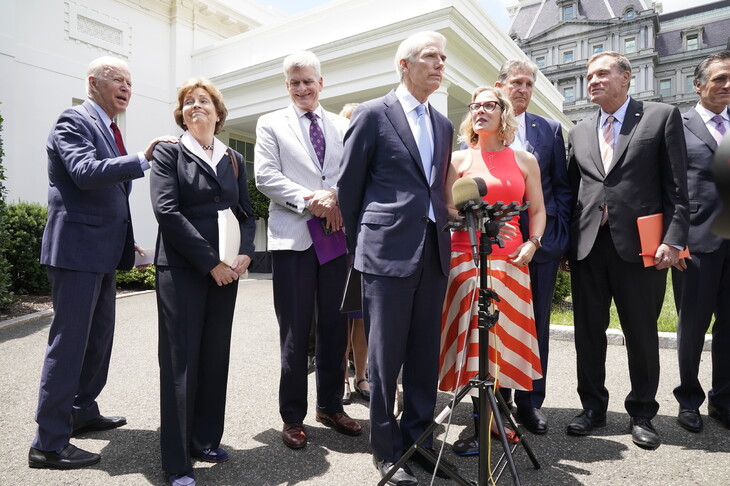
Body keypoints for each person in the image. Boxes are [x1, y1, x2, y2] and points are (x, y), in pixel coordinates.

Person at [30, 56, 173, 470]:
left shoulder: (110, 130)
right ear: (93, 82)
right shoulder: (73, 121)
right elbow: (85, 172)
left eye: (131, 81)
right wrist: (143, 158)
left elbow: (112, 202)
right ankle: (48, 443)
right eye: (119, 80)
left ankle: (81, 411)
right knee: (69, 346)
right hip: (75, 253)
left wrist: (132, 251)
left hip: (102, 255)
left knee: (98, 342)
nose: (127, 87)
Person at [339, 31, 457, 486]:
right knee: (384, 361)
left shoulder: (444, 125)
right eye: (431, 56)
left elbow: (435, 188)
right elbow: (348, 190)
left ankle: (420, 442)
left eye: (443, 58)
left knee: (425, 354)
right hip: (385, 252)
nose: (439, 64)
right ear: (404, 64)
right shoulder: (372, 114)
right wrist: (364, 246)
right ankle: (387, 451)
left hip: (432, 250)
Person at [566, 51, 689, 450]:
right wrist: (568, 244)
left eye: (602, 73)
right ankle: (592, 408)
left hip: (641, 249)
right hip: (588, 247)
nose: (592, 80)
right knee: (588, 334)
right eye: (588, 75)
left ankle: (642, 413)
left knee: (641, 334)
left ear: (626, 77)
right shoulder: (579, 130)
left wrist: (673, 239)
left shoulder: (659, 116)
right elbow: (573, 192)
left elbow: (676, 189)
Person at [150, 78, 256, 486]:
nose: (196, 106)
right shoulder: (168, 153)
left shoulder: (232, 158)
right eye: (188, 102)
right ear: (182, 114)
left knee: (214, 356)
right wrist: (211, 262)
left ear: (218, 111)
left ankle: (205, 439)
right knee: (181, 363)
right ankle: (177, 462)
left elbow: (246, 211)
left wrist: (245, 252)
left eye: (204, 101)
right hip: (182, 272)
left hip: (228, 272)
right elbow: (167, 212)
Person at [254, 51, 361, 450]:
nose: (302, 88)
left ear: (322, 83)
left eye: (308, 81)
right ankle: (293, 416)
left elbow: (352, 173)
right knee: (296, 333)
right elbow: (265, 175)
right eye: (295, 82)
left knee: (335, 328)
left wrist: (335, 198)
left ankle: (331, 406)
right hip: (293, 240)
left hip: (335, 238)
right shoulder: (270, 123)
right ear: (287, 86)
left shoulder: (342, 124)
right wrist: (311, 199)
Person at [439, 86, 545, 454]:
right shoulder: (456, 161)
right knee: (474, 346)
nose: (481, 110)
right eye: (476, 105)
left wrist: (533, 243)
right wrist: (469, 218)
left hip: (512, 262)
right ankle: (480, 426)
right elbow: (445, 207)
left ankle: (501, 421)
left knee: (504, 344)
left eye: (490, 105)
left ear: (503, 114)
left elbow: (538, 210)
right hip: (466, 259)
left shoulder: (525, 160)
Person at [493, 59, 571, 436]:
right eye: (516, 82)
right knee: (498, 322)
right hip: (496, 245)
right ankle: (497, 402)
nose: (522, 89)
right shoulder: (484, 129)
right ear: (500, 85)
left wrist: (557, 239)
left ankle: (529, 403)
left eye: (528, 84)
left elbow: (561, 187)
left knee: (535, 325)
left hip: (540, 245)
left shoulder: (550, 129)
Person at [672, 50, 730, 433]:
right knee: (692, 325)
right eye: (720, 79)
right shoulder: (678, 124)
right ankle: (688, 400)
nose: (727, 85)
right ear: (698, 85)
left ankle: (722, 401)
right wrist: (674, 240)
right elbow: (670, 186)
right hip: (696, 242)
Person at [338, 102, 371, 406]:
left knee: (360, 319)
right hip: (336, 247)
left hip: (365, 245)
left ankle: (361, 376)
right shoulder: (336, 159)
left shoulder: (373, 159)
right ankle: (342, 381)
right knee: (341, 321)